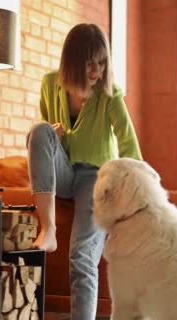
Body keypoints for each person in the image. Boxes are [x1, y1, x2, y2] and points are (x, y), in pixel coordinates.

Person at [26, 23, 142, 319]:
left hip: (96, 179)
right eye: (90, 62)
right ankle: (48, 228)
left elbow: (128, 143)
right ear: (73, 61)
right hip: (63, 173)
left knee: (81, 258)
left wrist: (138, 195)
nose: (96, 70)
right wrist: (54, 135)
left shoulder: (110, 94)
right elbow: (42, 142)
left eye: (102, 62)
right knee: (38, 130)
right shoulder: (50, 84)